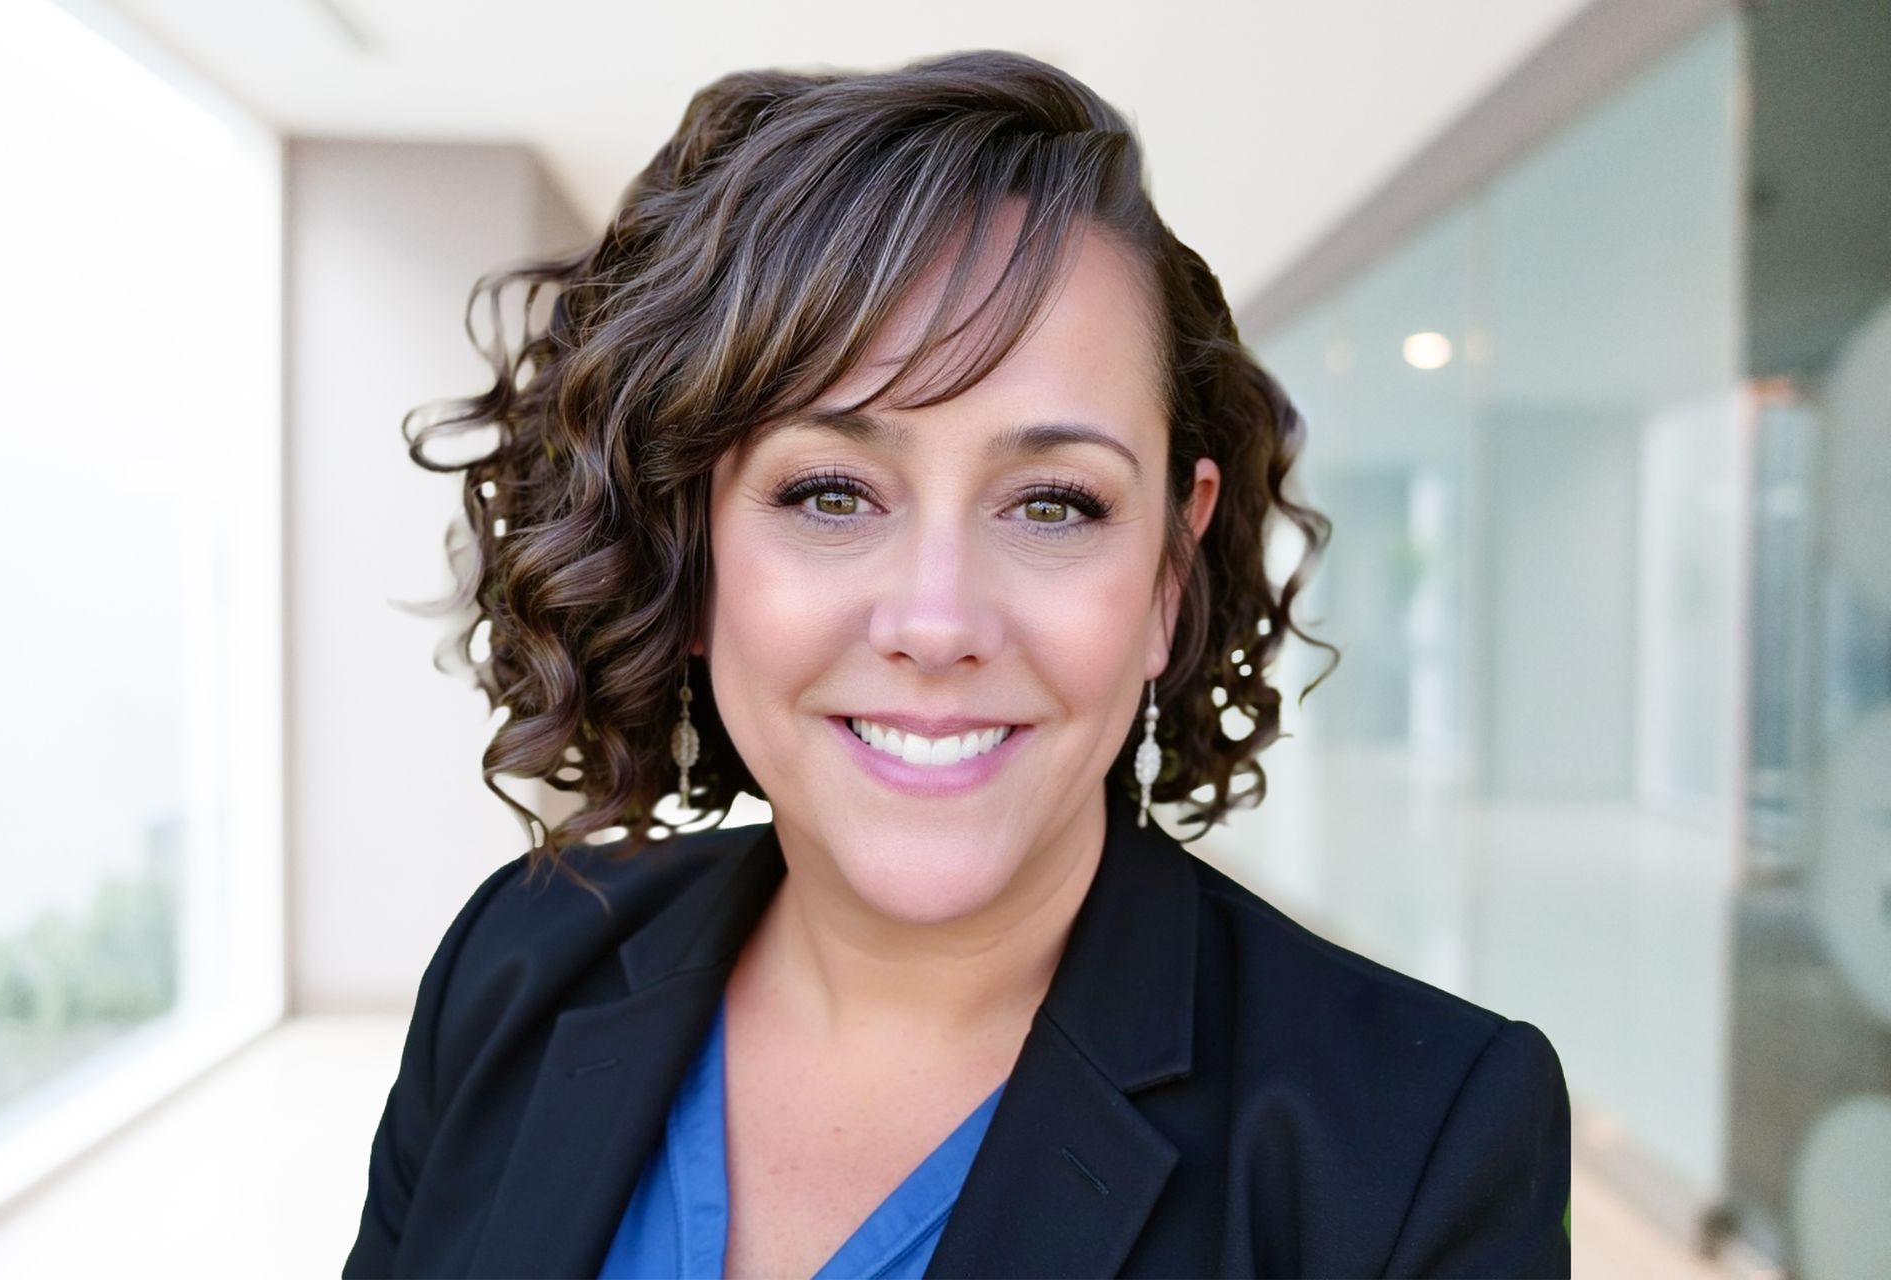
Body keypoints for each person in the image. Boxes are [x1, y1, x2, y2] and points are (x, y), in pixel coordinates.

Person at [343, 48, 1571, 1280]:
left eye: (1052, 504)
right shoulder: (516, 964)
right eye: (830, 491)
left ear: (1167, 573)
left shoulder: (1417, 1145)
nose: (937, 621)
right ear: (691, 546)